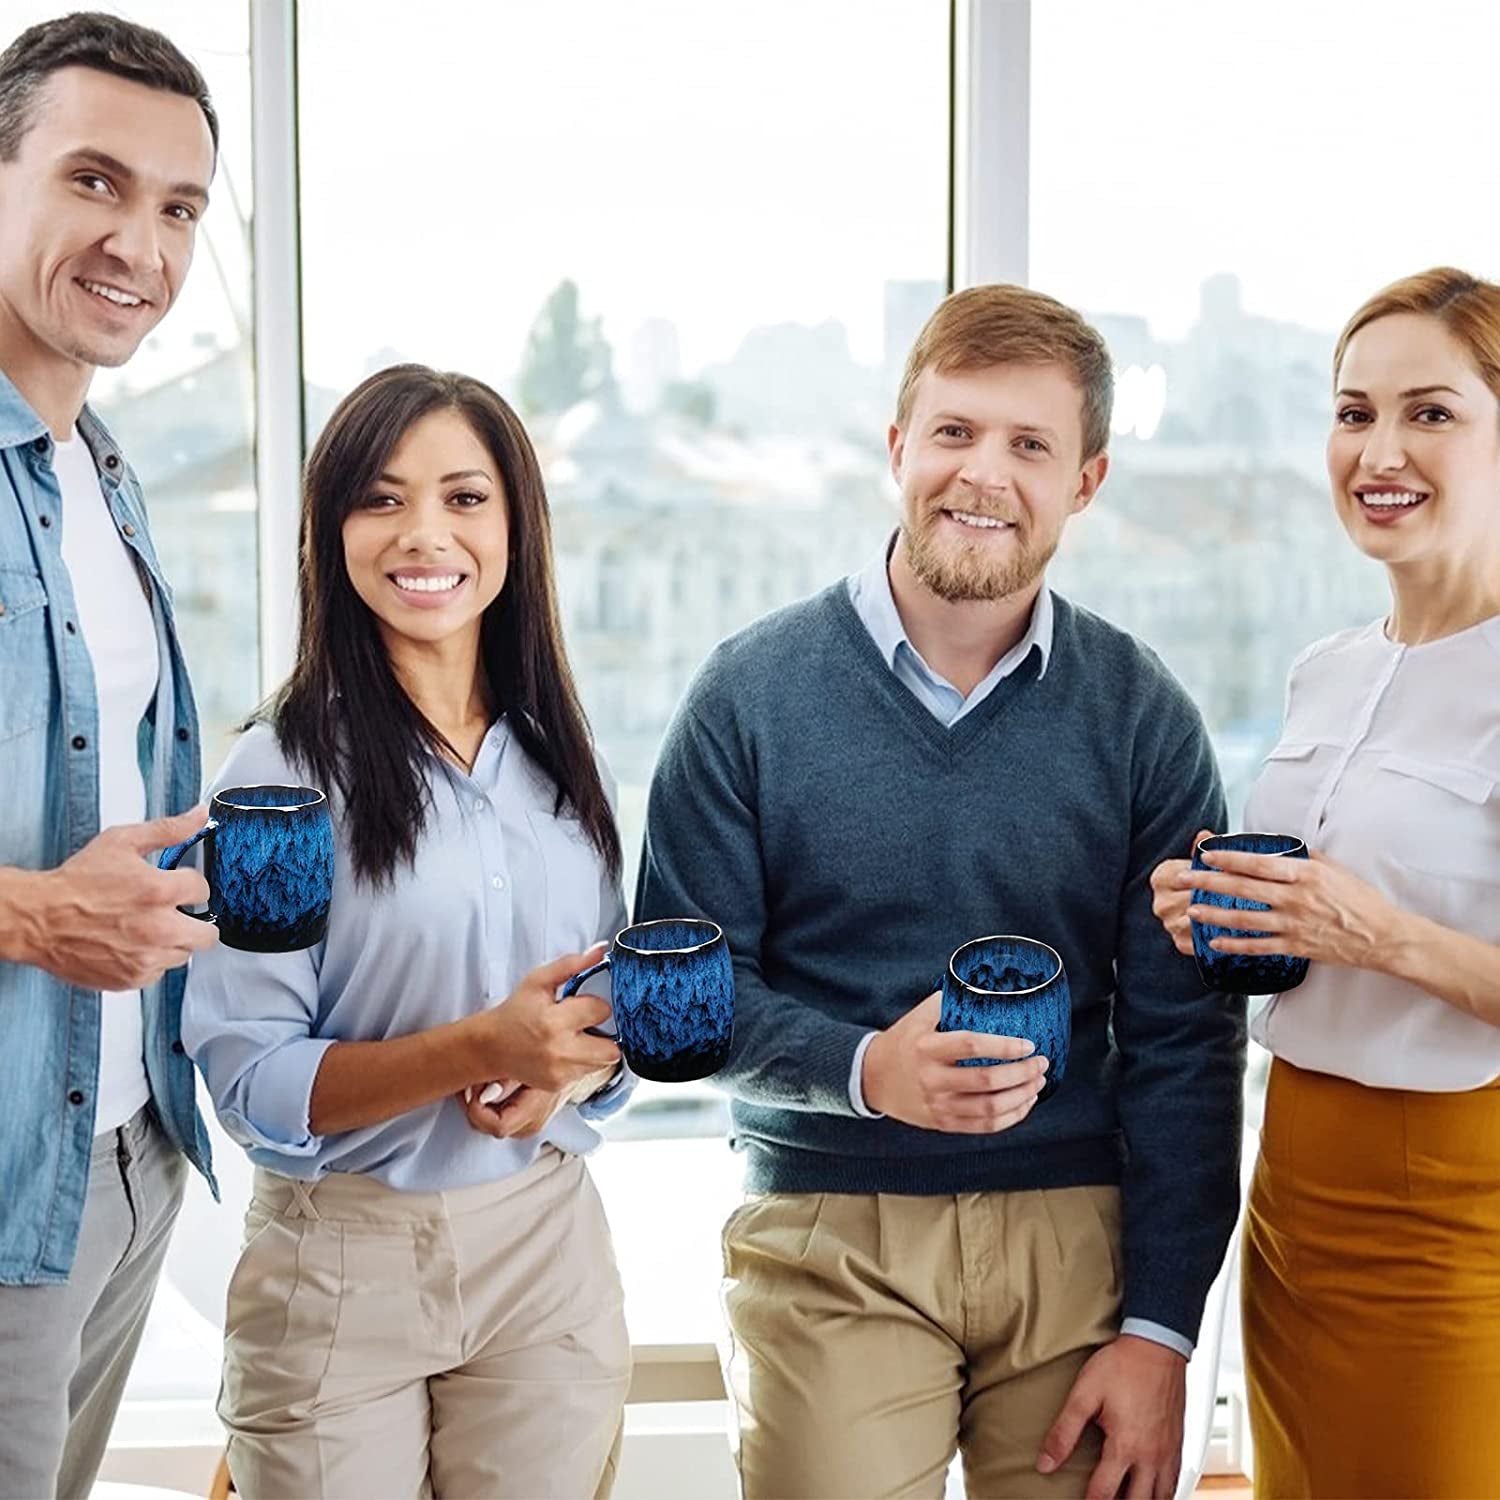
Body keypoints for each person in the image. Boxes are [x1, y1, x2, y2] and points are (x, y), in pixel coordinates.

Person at [636, 283, 1246, 1500]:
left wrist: (1164, 1332)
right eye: (957, 432)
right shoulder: (748, 696)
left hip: (1083, 1239)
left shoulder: (1144, 717)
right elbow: (680, 1011)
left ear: (1088, 482)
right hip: (827, 1230)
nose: (984, 474)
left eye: (1031, 445)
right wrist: (869, 1069)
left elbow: (1188, 1044)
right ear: (897, 445)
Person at [181, 365, 634, 1499]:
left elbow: (601, 1008)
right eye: (381, 499)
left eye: (464, 498)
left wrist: (564, 1077)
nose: (424, 533)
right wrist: (482, 1048)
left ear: (516, 526)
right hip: (343, 1263)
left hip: (544, 1245)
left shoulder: (560, 762)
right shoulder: (277, 777)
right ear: (330, 531)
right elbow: (255, 1082)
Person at [1151, 266, 1500, 1500]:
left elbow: (1377, 925)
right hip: (1292, 1181)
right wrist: (1219, 912)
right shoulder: (1326, 671)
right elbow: (1310, 923)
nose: (1380, 448)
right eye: (1353, 413)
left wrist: (1386, 936)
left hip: (1455, 1212)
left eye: (1432, 412)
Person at [0, 14, 223, 1496]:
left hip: (125, 1155)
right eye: (93, 181)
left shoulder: (102, 469)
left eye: (179, 206)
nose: (138, 243)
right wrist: (28, 913)